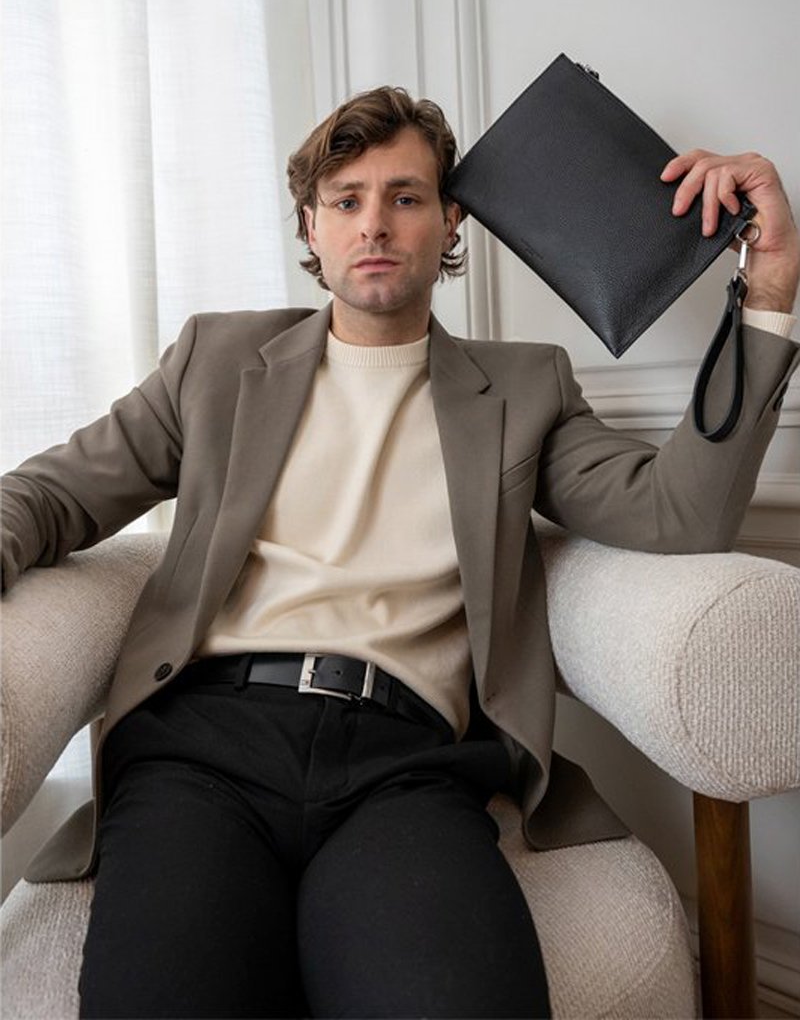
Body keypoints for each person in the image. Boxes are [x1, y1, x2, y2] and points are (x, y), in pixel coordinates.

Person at [2, 86, 799, 1020]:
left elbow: (681, 513)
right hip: (203, 751)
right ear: (312, 224)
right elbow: (53, 494)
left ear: (452, 219)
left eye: (406, 196)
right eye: (346, 200)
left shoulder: (526, 386)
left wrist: (769, 289)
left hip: (408, 765)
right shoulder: (215, 361)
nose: (374, 223)